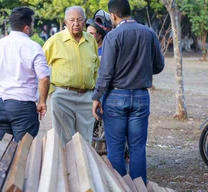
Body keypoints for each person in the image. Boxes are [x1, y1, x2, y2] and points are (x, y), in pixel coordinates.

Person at [92, 0, 165, 185]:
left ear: (113, 16)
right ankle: (139, 188)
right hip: (141, 96)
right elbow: (159, 65)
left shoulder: (112, 36)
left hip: (116, 97)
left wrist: (96, 96)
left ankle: (120, 188)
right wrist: (142, 71)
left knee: (115, 150)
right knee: (137, 149)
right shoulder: (149, 33)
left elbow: (106, 72)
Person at [0, 7, 50, 143]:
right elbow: (44, 78)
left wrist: (2, 89)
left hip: (0, 104)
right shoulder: (33, 47)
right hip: (23, 106)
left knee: (0, 151)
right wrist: (42, 101)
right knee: (24, 152)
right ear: (27, 27)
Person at [43, 6, 99, 144]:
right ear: (65, 22)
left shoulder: (91, 41)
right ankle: (64, 166)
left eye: (79, 20)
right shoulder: (55, 41)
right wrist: (52, 92)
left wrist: (96, 93)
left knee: (85, 141)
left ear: (85, 21)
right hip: (62, 97)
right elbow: (41, 67)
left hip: (87, 98)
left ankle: (82, 166)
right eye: (72, 20)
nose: (76, 24)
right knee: (63, 141)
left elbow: (96, 68)